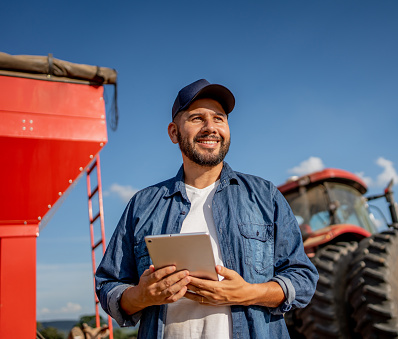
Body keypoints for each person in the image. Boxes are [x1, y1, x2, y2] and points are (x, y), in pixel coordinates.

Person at [95, 79, 318, 339]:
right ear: (174, 132)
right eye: (197, 118)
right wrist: (141, 296)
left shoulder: (265, 196)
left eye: (219, 119)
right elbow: (108, 285)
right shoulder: (143, 205)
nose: (210, 127)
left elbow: (302, 279)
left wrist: (248, 293)